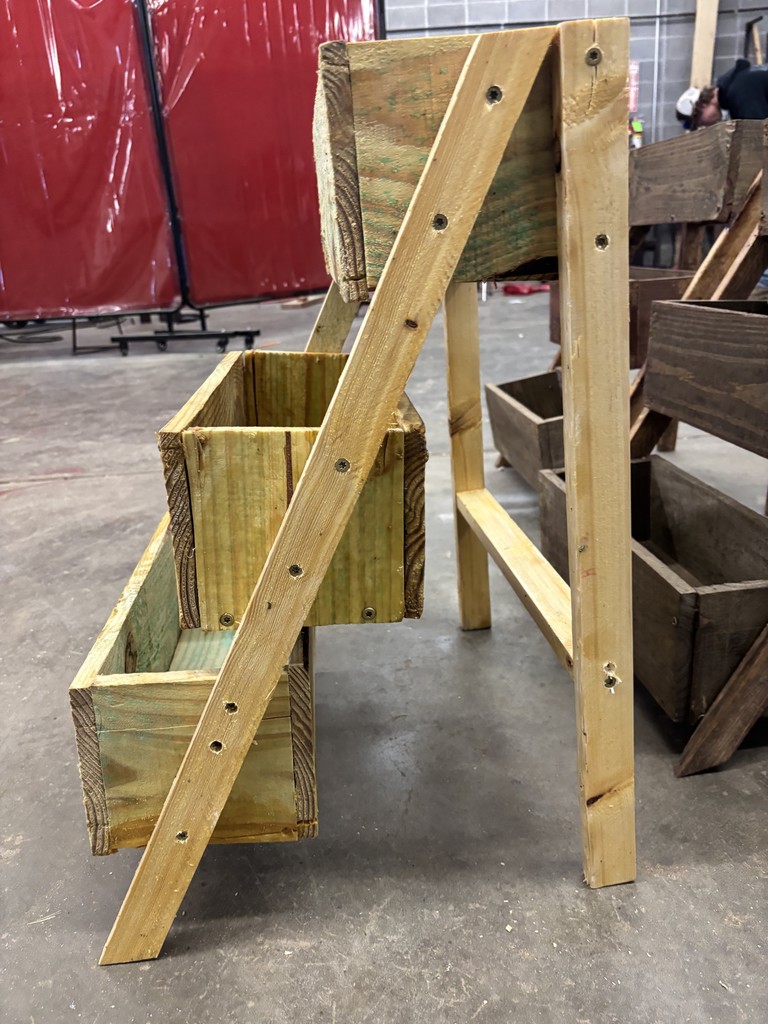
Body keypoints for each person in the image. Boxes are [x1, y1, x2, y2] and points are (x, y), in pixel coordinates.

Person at [676, 59, 768, 129]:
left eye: (702, 123)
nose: (707, 126)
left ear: (702, 105)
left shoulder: (739, 92)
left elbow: (759, 136)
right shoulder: (736, 83)